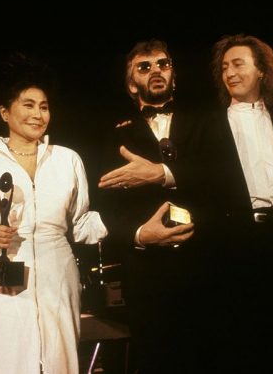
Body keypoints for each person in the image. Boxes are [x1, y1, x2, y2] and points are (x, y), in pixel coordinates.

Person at [0, 55, 107, 374]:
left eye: (44, 106)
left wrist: (126, 222)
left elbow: (81, 225)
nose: (38, 114)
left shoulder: (68, 160)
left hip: (59, 272)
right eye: (28, 105)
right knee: (10, 363)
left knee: (62, 364)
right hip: (4, 275)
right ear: (4, 112)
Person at [183, 34, 273, 373]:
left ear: (262, 71)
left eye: (238, 64)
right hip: (235, 242)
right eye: (224, 67)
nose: (230, 73)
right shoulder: (206, 126)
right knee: (242, 345)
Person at [96, 39, 196, 373]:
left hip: (207, 264)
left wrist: (163, 174)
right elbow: (103, 204)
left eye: (163, 64)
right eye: (144, 66)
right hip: (147, 271)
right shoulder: (113, 137)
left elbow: (222, 180)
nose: (156, 71)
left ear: (174, 75)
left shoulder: (207, 123)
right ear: (130, 84)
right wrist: (139, 234)